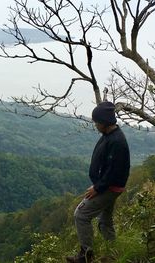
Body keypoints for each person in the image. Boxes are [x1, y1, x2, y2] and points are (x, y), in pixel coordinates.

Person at [66, 101, 130, 263]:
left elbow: (113, 172)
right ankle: (114, 255)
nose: (95, 125)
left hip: (109, 188)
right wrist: (98, 184)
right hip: (108, 186)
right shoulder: (110, 136)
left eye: (97, 122)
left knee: (81, 215)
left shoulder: (117, 142)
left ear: (105, 122)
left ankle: (86, 256)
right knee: (105, 222)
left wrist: (98, 187)